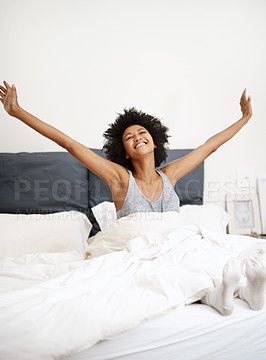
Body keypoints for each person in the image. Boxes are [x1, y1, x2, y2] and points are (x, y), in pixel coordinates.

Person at [1, 80, 265, 316]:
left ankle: (238, 293)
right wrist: (18, 112)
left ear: (154, 140)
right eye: (129, 137)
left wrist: (244, 118)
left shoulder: (169, 175)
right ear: (124, 151)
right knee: (176, 265)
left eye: (142, 133)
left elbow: (210, 145)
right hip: (141, 255)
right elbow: (69, 144)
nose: (137, 138)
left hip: (175, 250)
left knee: (195, 247)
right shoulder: (120, 178)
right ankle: (218, 294)